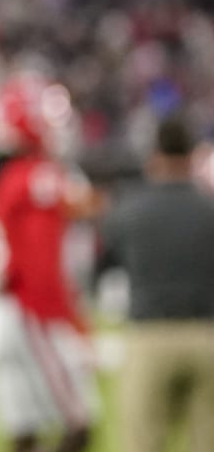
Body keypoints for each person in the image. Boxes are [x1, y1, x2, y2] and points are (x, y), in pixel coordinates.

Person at [0, 76, 100, 452]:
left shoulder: (5, 181)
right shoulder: (34, 177)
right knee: (77, 416)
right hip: (29, 303)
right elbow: (37, 258)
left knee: (23, 426)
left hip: (1, 306)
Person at [100, 113, 214, 451]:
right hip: (207, 334)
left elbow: (104, 268)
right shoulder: (208, 210)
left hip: (149, 334)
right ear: (193, 155)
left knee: (142, 442)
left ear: (154, 156)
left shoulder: (130, 209)